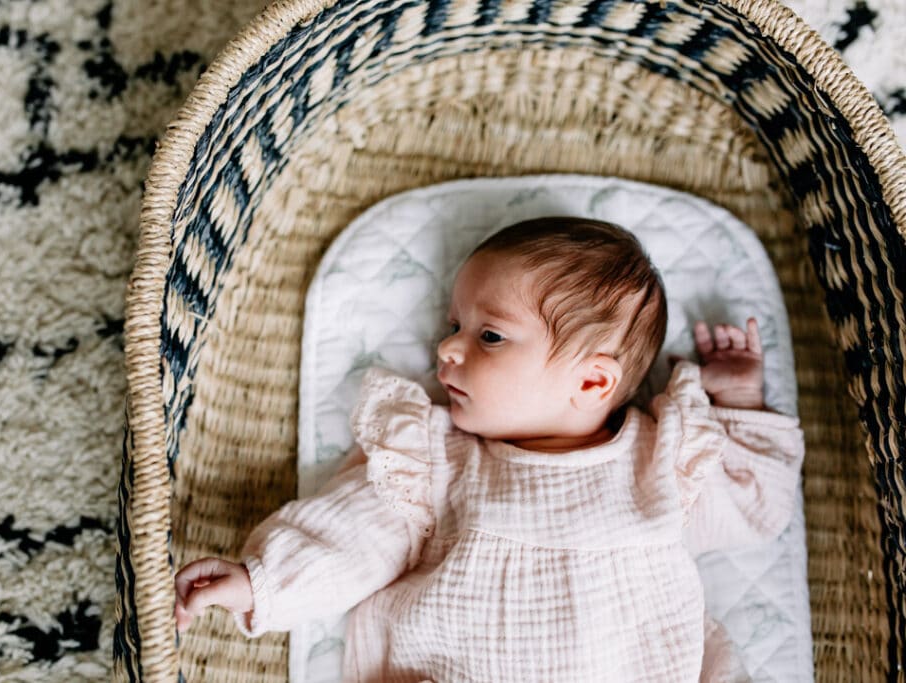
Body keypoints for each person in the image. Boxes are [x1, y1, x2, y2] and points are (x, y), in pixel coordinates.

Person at [174, 216, 804, 682]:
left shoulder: (663, 461)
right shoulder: (437, 460)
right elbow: (352, 536)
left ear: (592, 381)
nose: (447, 348)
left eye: (490, 334)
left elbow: (754, 506)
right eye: (454, 326)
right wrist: (262, 581)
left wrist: (738, 403)